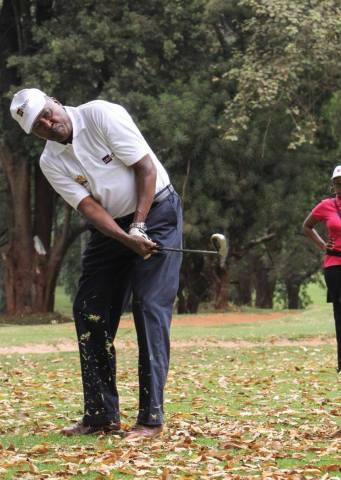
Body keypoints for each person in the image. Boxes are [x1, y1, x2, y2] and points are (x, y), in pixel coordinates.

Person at [10, 88, 183, 438]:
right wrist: (123, 238)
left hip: (157, 212)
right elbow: (89, 208)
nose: (47, 124)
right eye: (38, 126)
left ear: (55, 101)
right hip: (110, 231)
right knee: (89, 308)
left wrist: (138, 226)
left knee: (148, 306)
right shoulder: (50, 161)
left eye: (47, 114)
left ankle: (151, 420)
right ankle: (100, 416)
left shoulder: (100, 115)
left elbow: (145, 168)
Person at [303, 165, 341, 373]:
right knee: (340, 314)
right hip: (335, 265)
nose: (340, 186)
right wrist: (322, 245)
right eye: (337, 183)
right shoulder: (326, 206)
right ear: (333, 184)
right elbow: (306, 226)